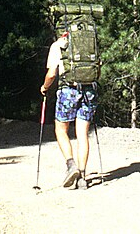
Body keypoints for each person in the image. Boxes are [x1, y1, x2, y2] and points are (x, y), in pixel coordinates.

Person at [40, 31, 97, 189]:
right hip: (89, 90)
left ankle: (71, 165)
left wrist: (45, 87)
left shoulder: (58, 46)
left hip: (68, 90)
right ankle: (83, 176)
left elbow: (52, 74)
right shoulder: (89, 42)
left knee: (60, 129)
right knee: (82, 134)